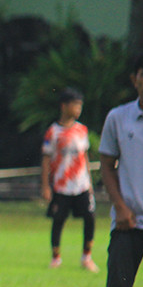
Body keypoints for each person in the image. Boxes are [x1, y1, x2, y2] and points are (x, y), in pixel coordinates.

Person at [95, 53, 143, 287]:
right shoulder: (119, 118)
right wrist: (120, 207)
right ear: (135, 79)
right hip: (129, 223)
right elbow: (107, 165)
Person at [41, 87, 98, 272]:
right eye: (75, 105)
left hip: (81, 184)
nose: (78, 109)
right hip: (62, 185)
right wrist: (45, 186)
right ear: (64, 106)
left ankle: (86, 257)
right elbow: (46, 160)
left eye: (80, 105)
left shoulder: (82, 130)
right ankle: (56, 257)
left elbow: (84, 157)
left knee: (90, 218)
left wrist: (89, 182)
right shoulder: (53, 132)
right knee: (58, 220)